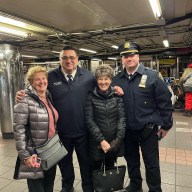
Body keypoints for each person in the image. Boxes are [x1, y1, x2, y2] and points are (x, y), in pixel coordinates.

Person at [16, 46, 123, 192]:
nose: (68, 61)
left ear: (77, 59)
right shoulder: (51, 77)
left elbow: (102, 87)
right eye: (64, 58)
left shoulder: (88, 77)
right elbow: (37, 87)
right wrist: (23, 93)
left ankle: (88, 189)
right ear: (60, 60)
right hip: (60, 136)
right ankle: (67, 189)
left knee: (86, 167)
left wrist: (115, 88)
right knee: (65, 169)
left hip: (84, 133)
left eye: (72, 57)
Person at [112, 42, 173, 192]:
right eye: (125, 56)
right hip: (127, 131)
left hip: (148, 130)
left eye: (132, 55)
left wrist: (166, 125)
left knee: (151, 164)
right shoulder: (117, 79)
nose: (129, 58)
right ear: (121, 59)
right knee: (132, 162)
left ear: (138, 56)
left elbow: (164, 101)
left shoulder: (152, 76)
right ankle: (135, 186)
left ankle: (155, 189)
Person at [13, 66, 58, 192]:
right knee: (37, 187)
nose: (41, 82)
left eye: (43, 78)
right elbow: (18, 129)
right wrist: (25, 156)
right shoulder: (24, 100)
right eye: (37, 79)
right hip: (34, 153)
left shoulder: (48, 97)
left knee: (49, 184)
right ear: (31, 82)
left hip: (50, 150)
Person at [85, 64, 126, 171]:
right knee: (96, 172)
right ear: (96, 80)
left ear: (111, 80)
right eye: (100, 79)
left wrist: (117, 141)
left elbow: (122, 119)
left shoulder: (117, 96)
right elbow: (89, 120)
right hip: (97, 143)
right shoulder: (90, 97)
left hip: (113, 141)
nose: (103, 82)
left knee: (110, 170)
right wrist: (102, 141)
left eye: (106, 79)